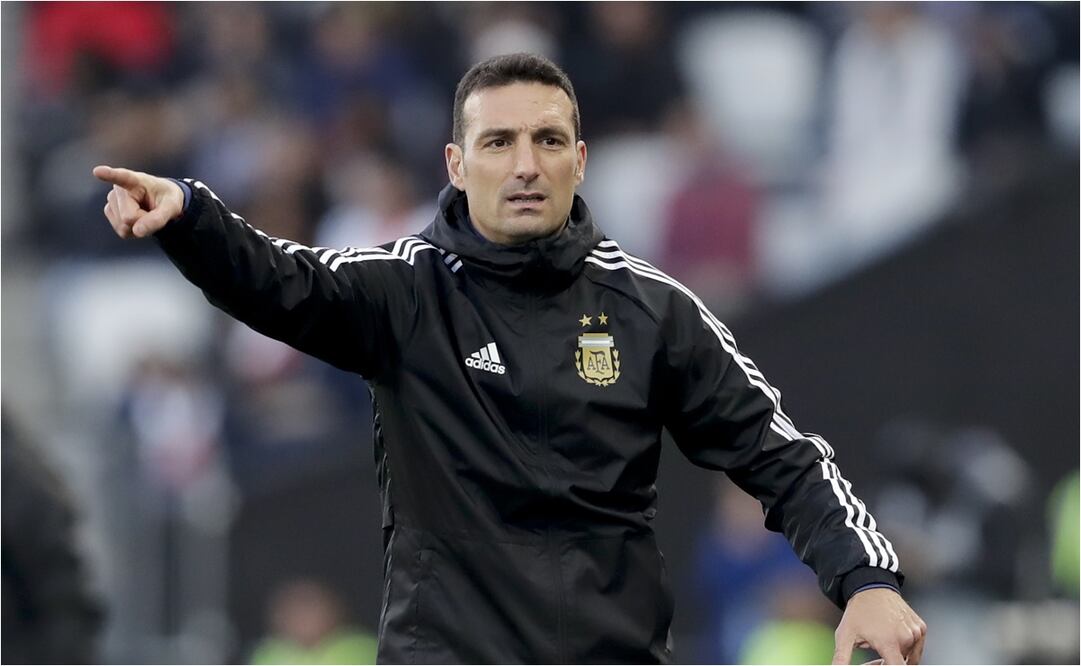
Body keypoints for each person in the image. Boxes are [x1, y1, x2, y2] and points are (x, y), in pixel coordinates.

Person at [94, 53, 926, 664]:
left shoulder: (651, 311)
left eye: (546, 139)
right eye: (497, 143)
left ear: (579, 158)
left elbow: (781, 457)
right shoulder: (400, 291)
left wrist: (868, 581)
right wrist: (189, 219)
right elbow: (281, 281)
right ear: (456, 165)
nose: (524, 164)